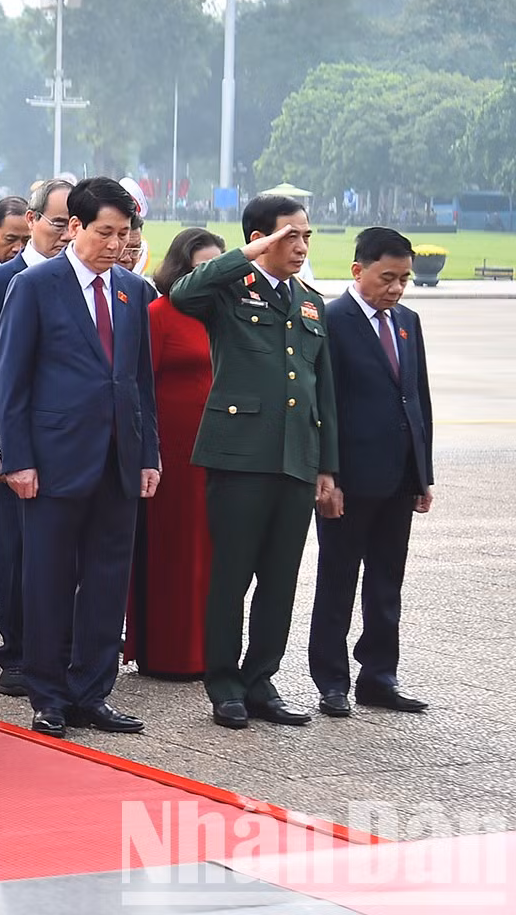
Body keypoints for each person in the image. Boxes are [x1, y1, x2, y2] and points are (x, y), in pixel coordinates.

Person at [0, 178, 159, 737]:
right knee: (48, 580)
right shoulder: (36, 286)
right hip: (53, 460)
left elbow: (140, 382)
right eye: (105, 232)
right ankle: (47, 694)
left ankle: (93, 691)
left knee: (108, 580)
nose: (116, 244)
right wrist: (16, 458)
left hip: (118, 460)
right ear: (74, 227)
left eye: (125, 234)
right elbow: (10, 380)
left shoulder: (133, 292)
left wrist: (148, 456)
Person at [169, 193, 337, 730]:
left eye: (307, 236)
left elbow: (322, 393)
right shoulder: (226, 290)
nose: (301, 245)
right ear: (261, 237)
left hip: (295, 459)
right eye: (291, 235)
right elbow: (181, 294)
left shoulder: (311, 303)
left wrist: (327, 468)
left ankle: (261, 679)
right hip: (239, 456)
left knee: (281, 579)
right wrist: (245, 255)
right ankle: (224, 684)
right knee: (232, 575)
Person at [310, 227, 433, 718]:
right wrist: (328, 476)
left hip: (398, 476)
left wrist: (422, 473)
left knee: (386, 581)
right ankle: (331, 681)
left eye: (403, 278)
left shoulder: (407, 321)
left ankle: (379, 676)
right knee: (337, 580)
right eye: (387, 277)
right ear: (358, 270)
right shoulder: (330, 320)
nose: (396, 288)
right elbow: (324, 405)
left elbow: (418, 398)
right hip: (349, 478)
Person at [0, 179, 74, 698]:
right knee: (14, 549)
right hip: (18, 441)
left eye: (72, 223)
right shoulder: (0, 282)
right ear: (32, 220)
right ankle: (15, 650)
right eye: (57, 222)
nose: (65, 233)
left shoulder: (90, 280)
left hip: (73, 445)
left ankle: (61, 648)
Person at [129, 227, 225, 678]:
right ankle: (168, 652)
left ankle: (210, 651)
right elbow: (140, 386)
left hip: (223, 448)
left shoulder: (230, 314)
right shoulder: (160, 313)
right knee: (173, 548)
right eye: (200, 267)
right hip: (174, 448)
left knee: (214, 550)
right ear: (181, 270)